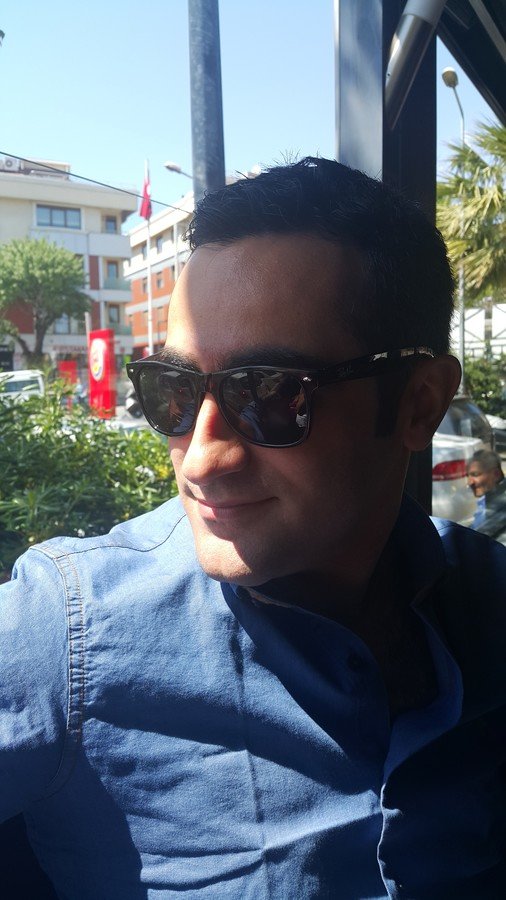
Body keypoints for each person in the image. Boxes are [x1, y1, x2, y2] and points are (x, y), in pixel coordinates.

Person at [1, 157, 505, 899]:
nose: (202, 459)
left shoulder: (490, 604)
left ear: (419, 404)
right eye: (171, 392)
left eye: (270, 394)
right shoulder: (68, 632)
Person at [468, 448, 506, 535]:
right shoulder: (487, 499)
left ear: (496, 474)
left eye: (475, 475)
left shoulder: (500, 507)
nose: (469, 482)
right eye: (468, 476)